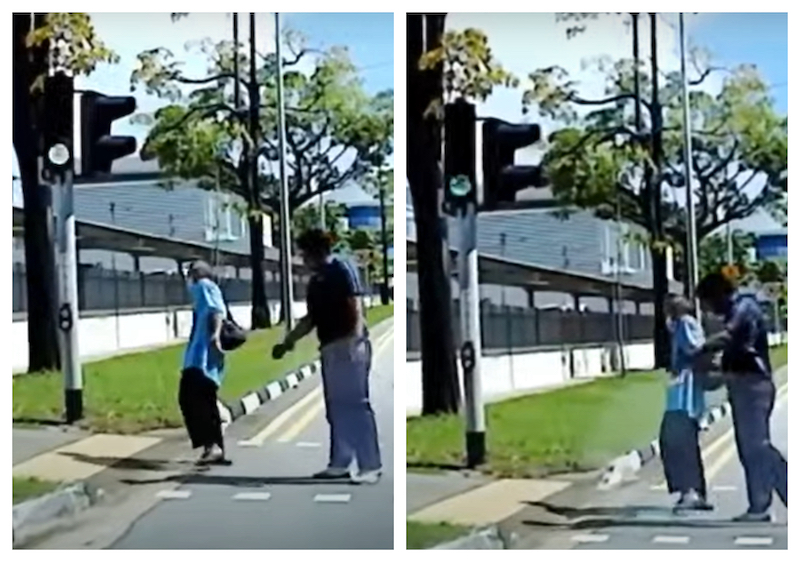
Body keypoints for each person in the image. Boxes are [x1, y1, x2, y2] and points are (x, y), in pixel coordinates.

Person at [272, 229, 382, 484]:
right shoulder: (316, 281)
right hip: (330, 347)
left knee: (356, 405)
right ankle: (340, 461)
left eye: (303, 254)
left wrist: (354, 341)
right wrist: (288, 342)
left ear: (315, 252)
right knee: (336, 407)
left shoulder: (341, 269)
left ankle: (370, 465)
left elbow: (355, 305)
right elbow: (311, 318)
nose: (302, 259)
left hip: (349, 344)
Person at [695, 272, 788, 522]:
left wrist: (701, 348)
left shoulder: (743, 307)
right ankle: (759, 506)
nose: (709, 310)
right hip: (742, 385)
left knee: (758, 446)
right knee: (749, 449)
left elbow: (728, 336)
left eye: (708, 303)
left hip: (754, 385)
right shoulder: (737, 308)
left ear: (719, 295)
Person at [659, 296, 712, 511]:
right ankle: (692, 491)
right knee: (681, 442)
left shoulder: (685, 323)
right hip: (683, 394)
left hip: (684, 395)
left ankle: (690, 491)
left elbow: (694, 349)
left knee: (676, 442)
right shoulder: (684, 324)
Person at [179, 260, 229, 466]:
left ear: (197, 274)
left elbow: (216, 311)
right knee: (205, 402)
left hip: (202, 358)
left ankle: (212, 446)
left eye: (190, 273)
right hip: (201, 357)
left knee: (191, 399)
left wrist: (215, 336)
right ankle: (215, 447)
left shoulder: (204, 286)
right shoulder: (205, 288)